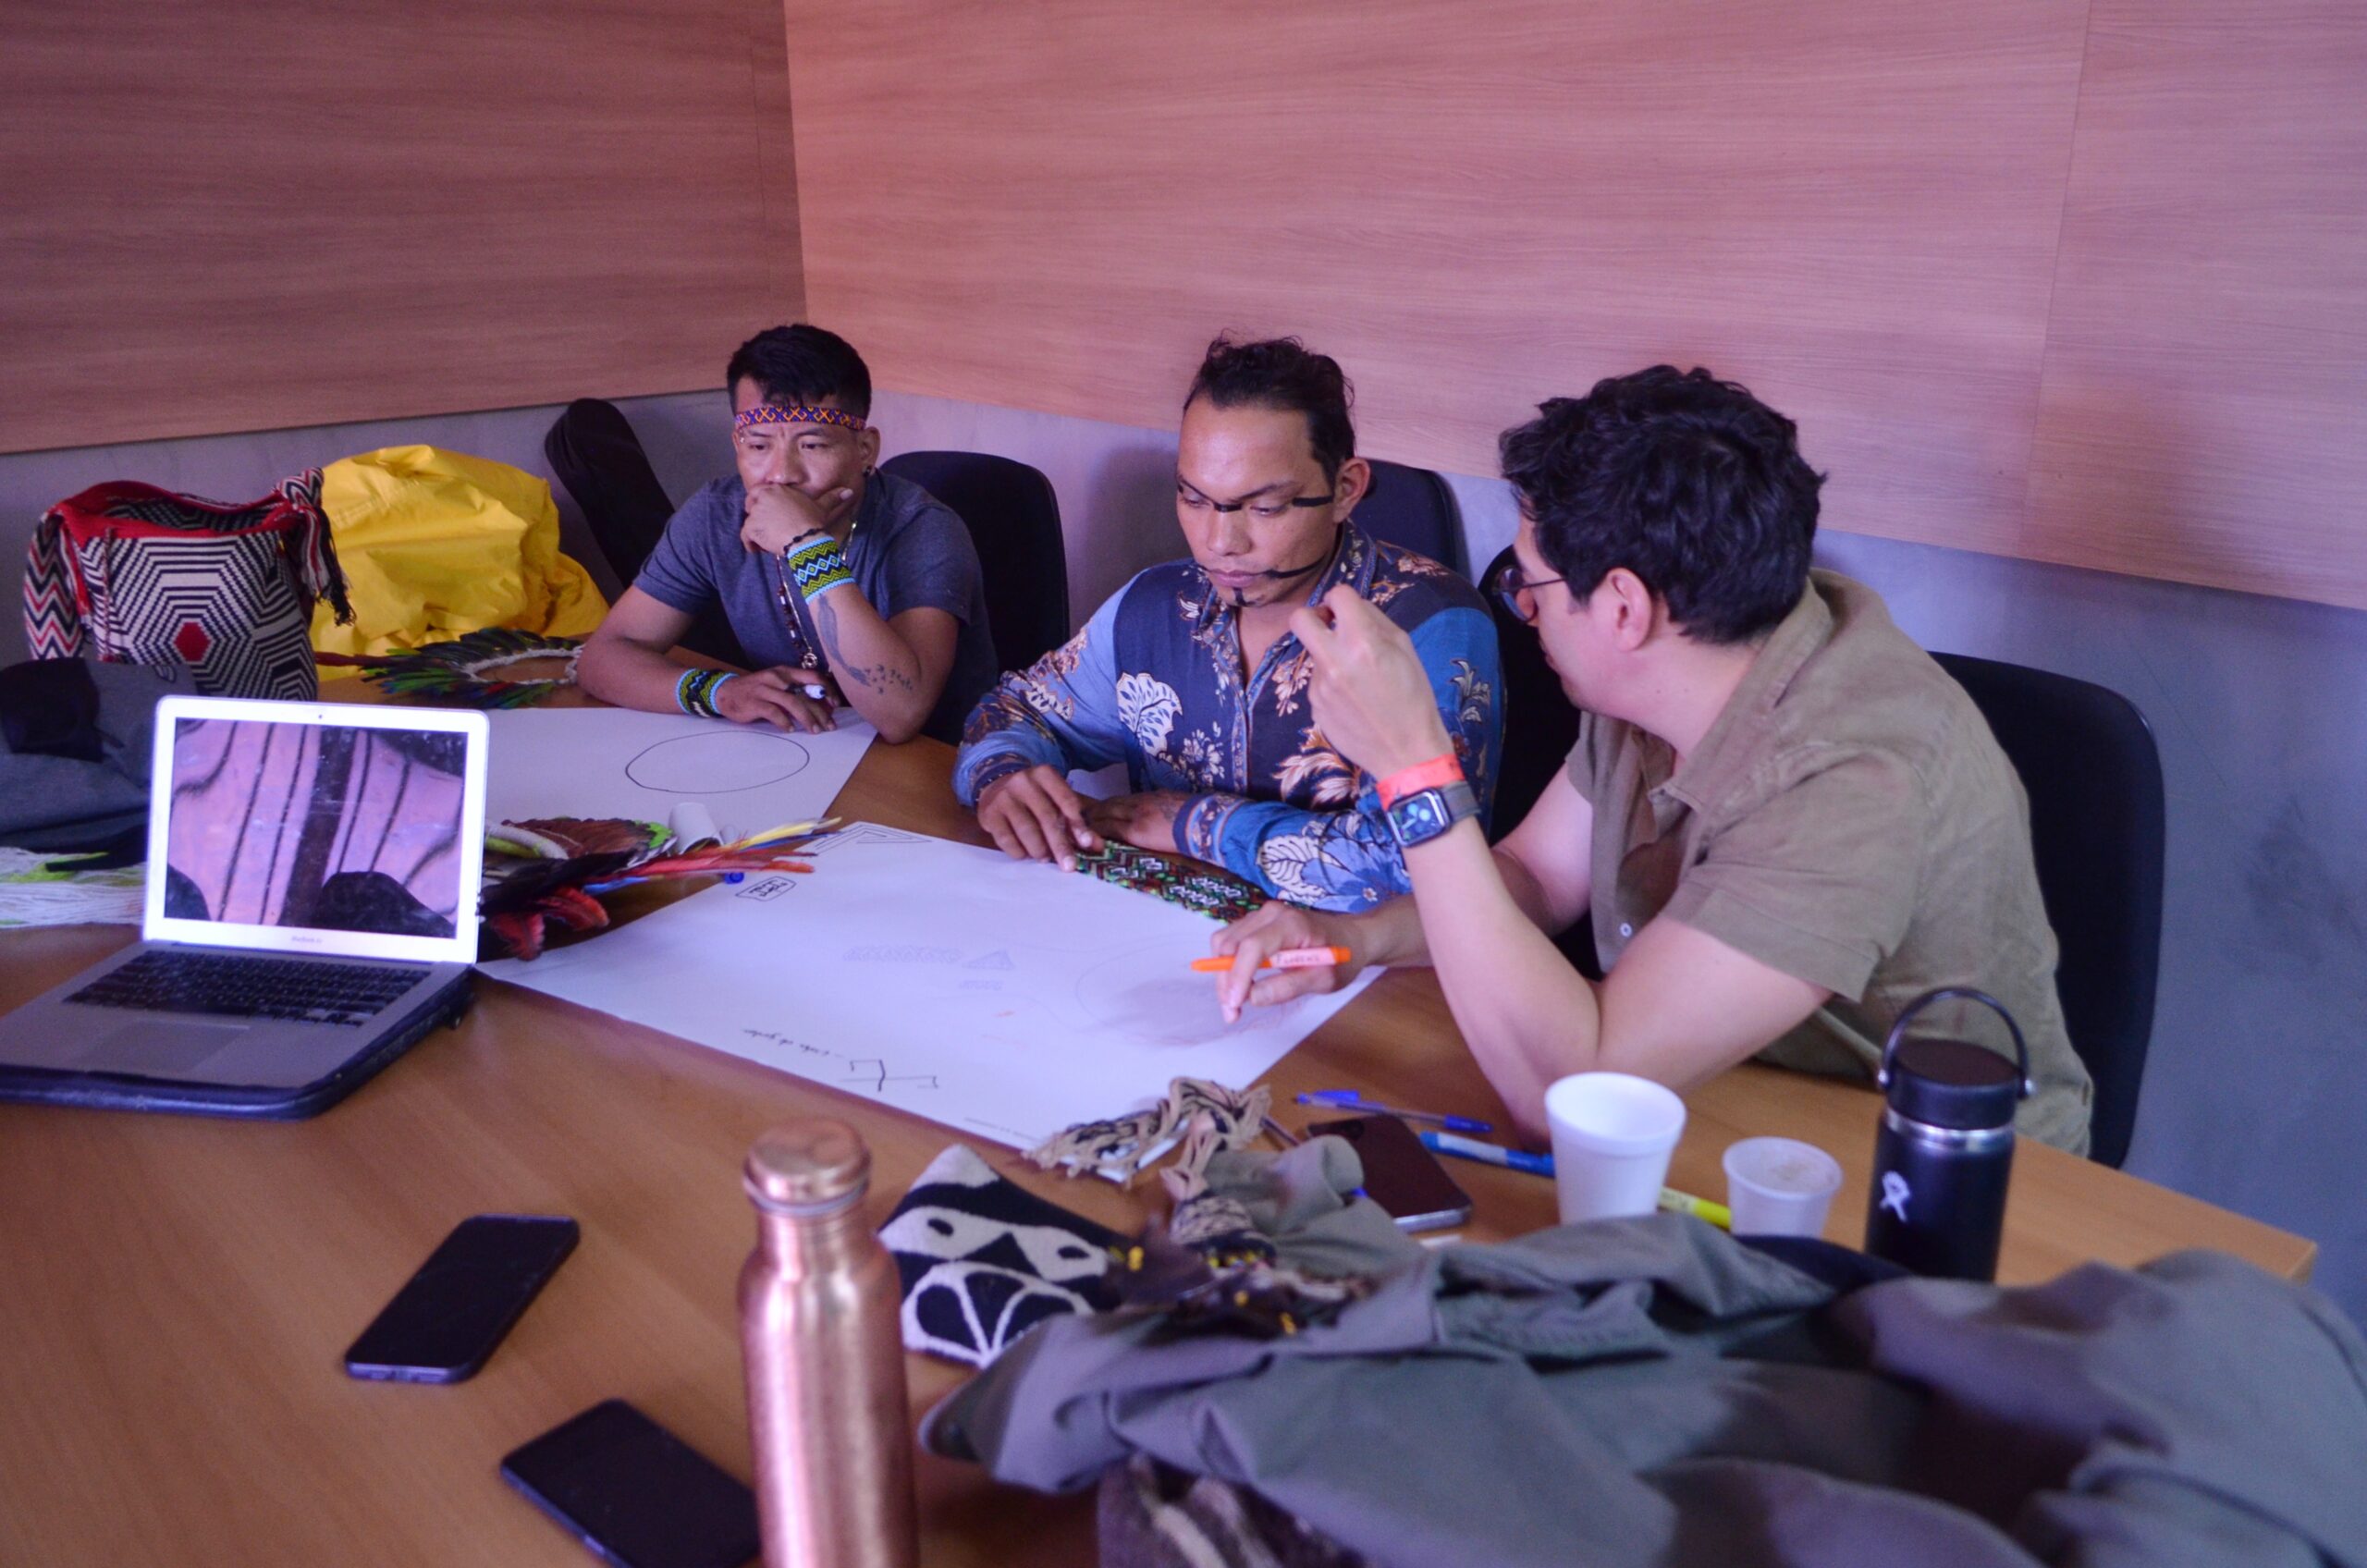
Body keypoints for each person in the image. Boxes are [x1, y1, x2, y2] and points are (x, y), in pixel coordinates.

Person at [1211, 366, 2092, 1152]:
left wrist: (1413, 770)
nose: (1522, 609)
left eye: (1530, 583)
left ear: (1625, 610)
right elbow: (1532, 878)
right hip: (1723, 1095)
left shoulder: (1852, 775)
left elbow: (1574, 1100)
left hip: (1928, 1177)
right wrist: (1354, 939)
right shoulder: (1677, 666)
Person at [952, 336, 1502, 913]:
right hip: (1151, 935)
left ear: (1345, 490)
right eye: (1194, 499)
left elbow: (1422, 869)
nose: (1219, 543)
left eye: (1264, 507)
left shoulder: (1430, 625)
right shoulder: (1155, 606)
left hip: (1353, 960)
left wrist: (1193, 822)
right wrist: (1001, 774)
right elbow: (1017, 710)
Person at [578, 325, 998, 744]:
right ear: (738, 445)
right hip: (805, 749)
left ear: (865, 449)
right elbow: (601, 659)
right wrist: (719, 693)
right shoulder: (715, 515)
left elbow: (900, 715)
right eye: (759, 446)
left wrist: (805, 542)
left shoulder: (924, 528)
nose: (781, 474)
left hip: (942, 760)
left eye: (812, 445)